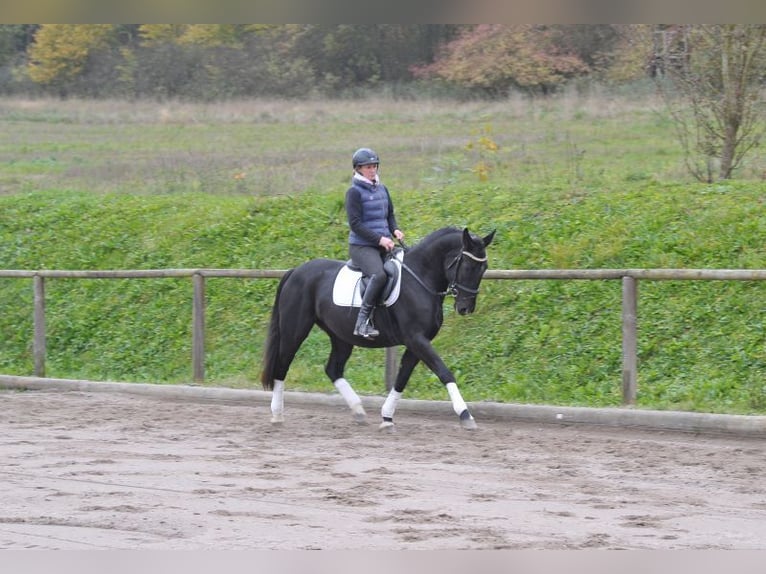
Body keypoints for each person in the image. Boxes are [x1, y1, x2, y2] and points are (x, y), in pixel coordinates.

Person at [345, 147, 405, 338]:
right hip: (362, 247)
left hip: (384, 243)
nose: (372, 170)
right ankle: (361, 322)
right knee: (378, 275)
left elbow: (389, 215)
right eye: (368, 167)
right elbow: (355, 224)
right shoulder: (354, 192)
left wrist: (394, 229)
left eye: (374, 166)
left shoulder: (382, 189)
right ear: (358, 169)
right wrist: (380, 239)